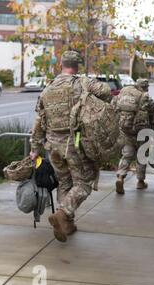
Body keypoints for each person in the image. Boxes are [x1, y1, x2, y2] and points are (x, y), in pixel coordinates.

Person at [30, 50, 112, 243]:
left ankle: (67, 223)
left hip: (53, 146)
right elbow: (106, 92)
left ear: (61, 64)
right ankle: (63, 213)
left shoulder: (48, 89)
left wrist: (34, 148)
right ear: (77, 66)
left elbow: (39, 122)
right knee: (83, 183)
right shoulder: (82, 83)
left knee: (65, 182)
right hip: (74, 144)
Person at [115, 78, 154, 195]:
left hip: (126, 131)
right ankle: (140, 181)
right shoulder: (145, 98)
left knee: (127, 154)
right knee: (141, 156)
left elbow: (115, 108)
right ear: (144, 87)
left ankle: (121, 177)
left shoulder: (124, 94)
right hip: (141, 131)